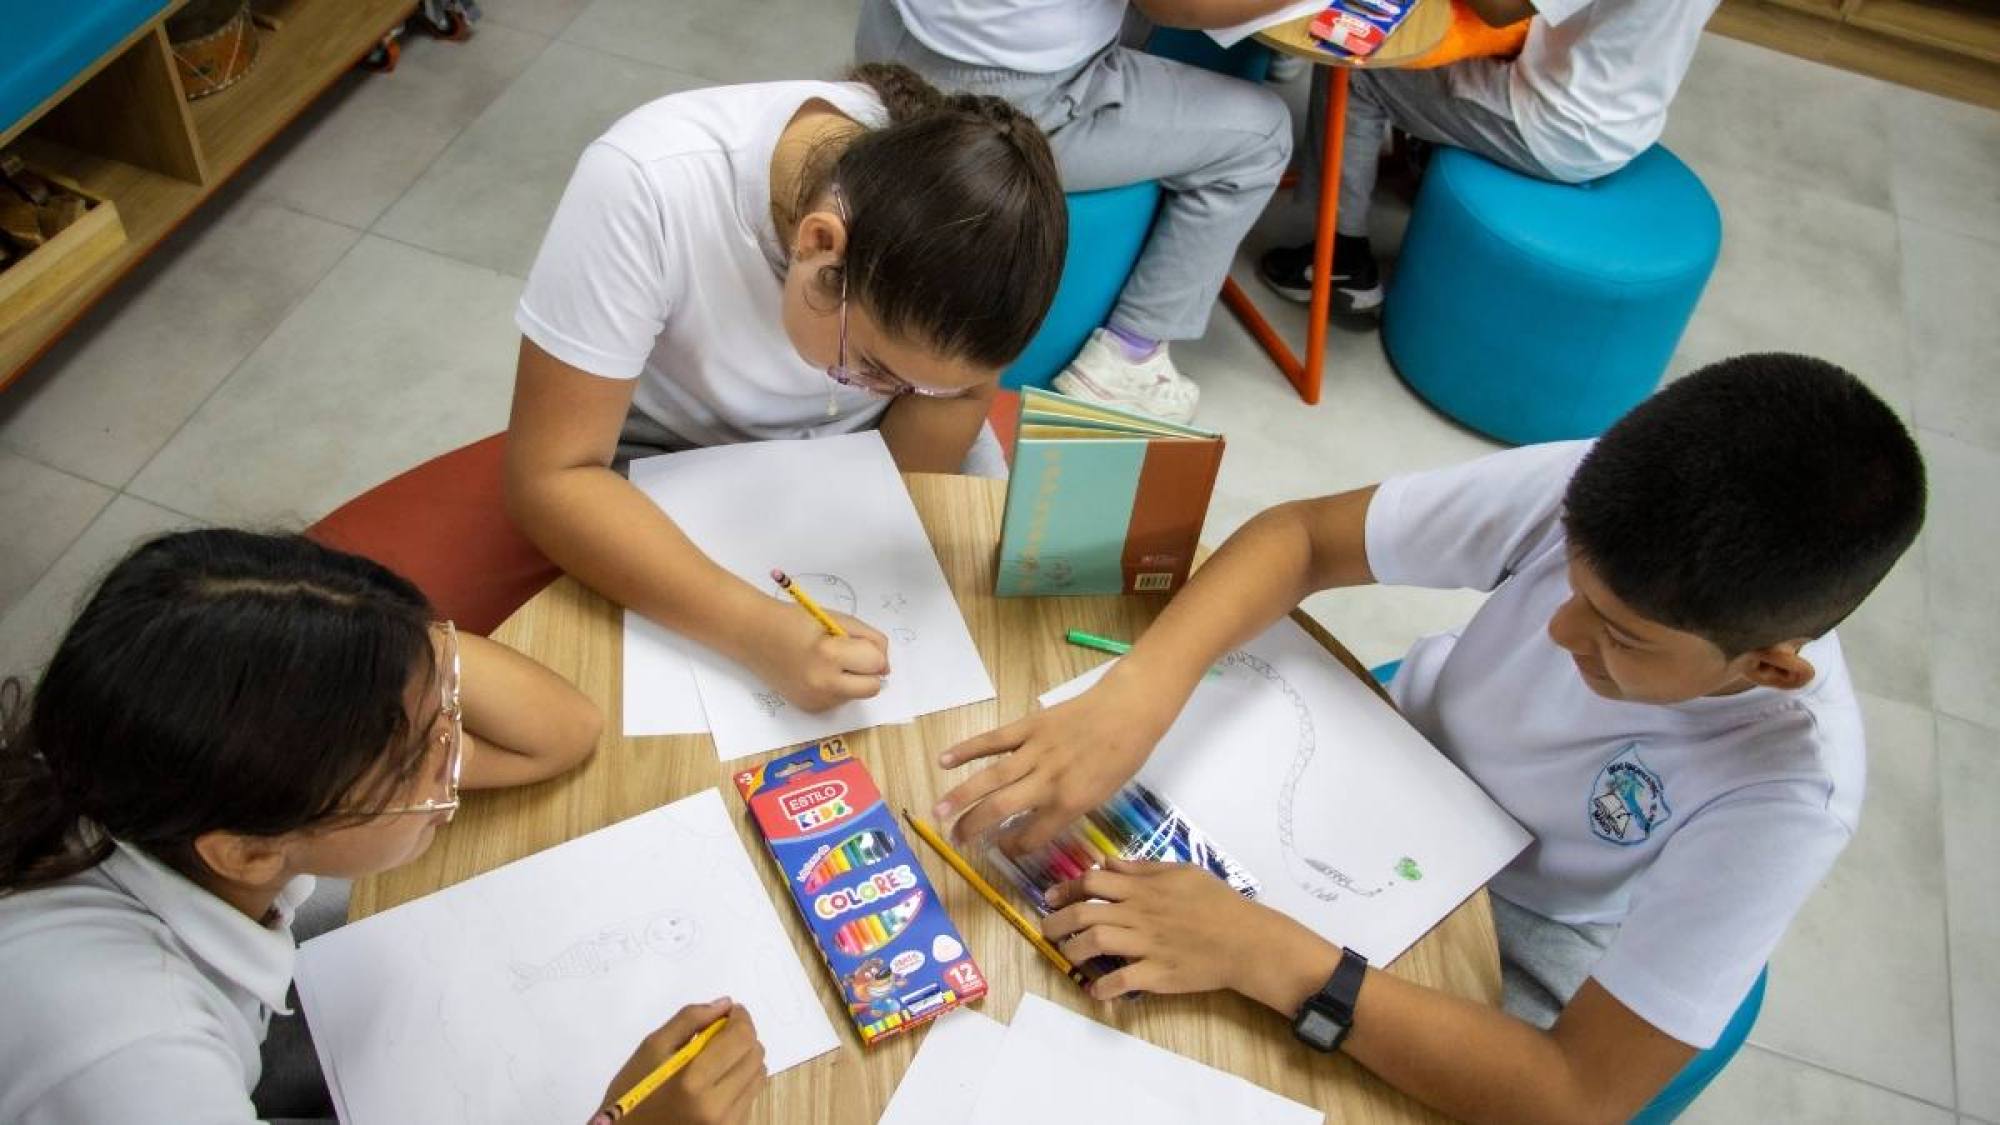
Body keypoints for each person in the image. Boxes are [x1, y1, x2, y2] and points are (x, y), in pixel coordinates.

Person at [931, 355, 1926, 1121]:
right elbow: (1302, 537)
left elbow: (1577, 1095)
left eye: (1618, 636)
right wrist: (1142, 689)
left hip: (1520, 921)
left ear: (1765, 668)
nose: (1557, 631)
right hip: (1393, 756)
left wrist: (1273, 959)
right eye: (1569, 585)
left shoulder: (1789, 792)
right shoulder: (1598, 495)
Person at [0, 531, 761, 1125]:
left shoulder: (153, 769)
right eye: (408, 764)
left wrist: (380, 647)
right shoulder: (140, 1061)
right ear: (249, 849)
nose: (454, 750)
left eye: (442, 714)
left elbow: (560, 730)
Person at [506, 62, 1065, 715]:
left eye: (924, 385)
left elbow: (964, 395)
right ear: (821, 245)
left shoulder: (959, 232)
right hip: (676, 455)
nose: (890, 388)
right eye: (873, 365)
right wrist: (756, 629)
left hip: (871, 454)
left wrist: (869, 510)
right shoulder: (645, 186)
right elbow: (549, 478)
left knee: (999, 676)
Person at [857, 0, 1300, 423]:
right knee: (1265, 135)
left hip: (894, 37)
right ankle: (1129, 357)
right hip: (1008, 92)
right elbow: (1177, 8)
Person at [1259, 0, 1721, 315]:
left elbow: (1498, 9)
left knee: (1356, 68)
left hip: (1555, 125)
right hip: (1627, 116)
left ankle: (1341, 258)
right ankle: (1426, 152)